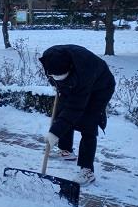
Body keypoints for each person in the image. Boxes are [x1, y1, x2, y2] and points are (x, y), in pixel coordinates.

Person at [39, 44, 115, 186]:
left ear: (70, 69)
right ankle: (66, 151)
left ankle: (87, 170)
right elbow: (66, 108)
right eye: (54, 76)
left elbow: (75, 108)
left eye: (61, 76)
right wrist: (58, 82)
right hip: (75, 82)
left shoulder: (85, 71)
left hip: (100, 87)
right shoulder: (50, 57)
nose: (56, 78)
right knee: (62, 112)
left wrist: (55, 132)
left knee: (88, 124)